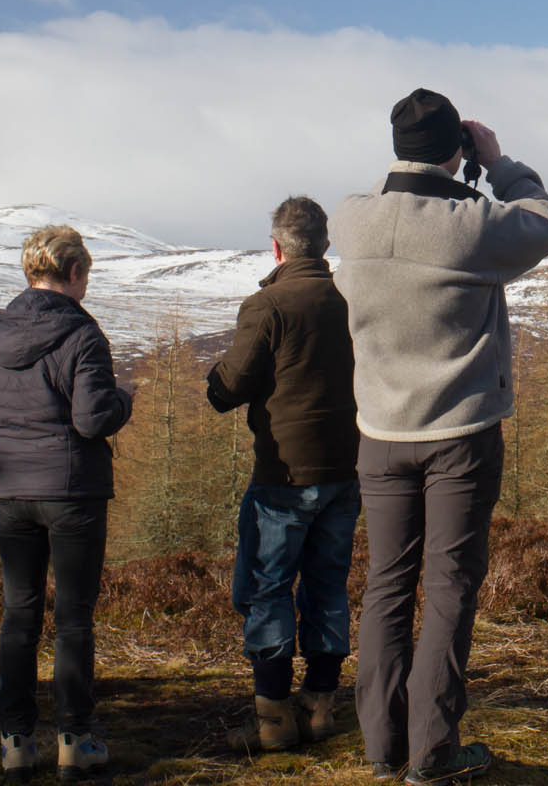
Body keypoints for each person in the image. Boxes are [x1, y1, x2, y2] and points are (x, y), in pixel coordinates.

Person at [331, 88, 548, 785]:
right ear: (456, 150)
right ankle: (433, 754)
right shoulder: (470, 224)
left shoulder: (353, 218)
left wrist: (413, 168)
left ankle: (381, 747)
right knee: (450, 587)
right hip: (459, 432)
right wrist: (499, 163)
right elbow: (547, 221)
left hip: (379, 432)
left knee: (386, 586)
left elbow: (387, 194)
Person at [0, 225, 133, 782]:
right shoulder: (84, 336)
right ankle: (75, 740)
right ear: (75, 274)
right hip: (72, 492)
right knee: (72, 619)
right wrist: (123, 401)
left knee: (19, 613)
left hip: (10, 490)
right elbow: (93, 419)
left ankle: (15, 741)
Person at [205, 196, 361, 752]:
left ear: (277, 246)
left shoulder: (267, 304)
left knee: (269, 589)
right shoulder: (351, 297)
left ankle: (273, 719)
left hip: (283, 473)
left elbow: (231, 385)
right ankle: (320, 706)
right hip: (347, 467)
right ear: (323, 244)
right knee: (327, 586)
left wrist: (214, 380)